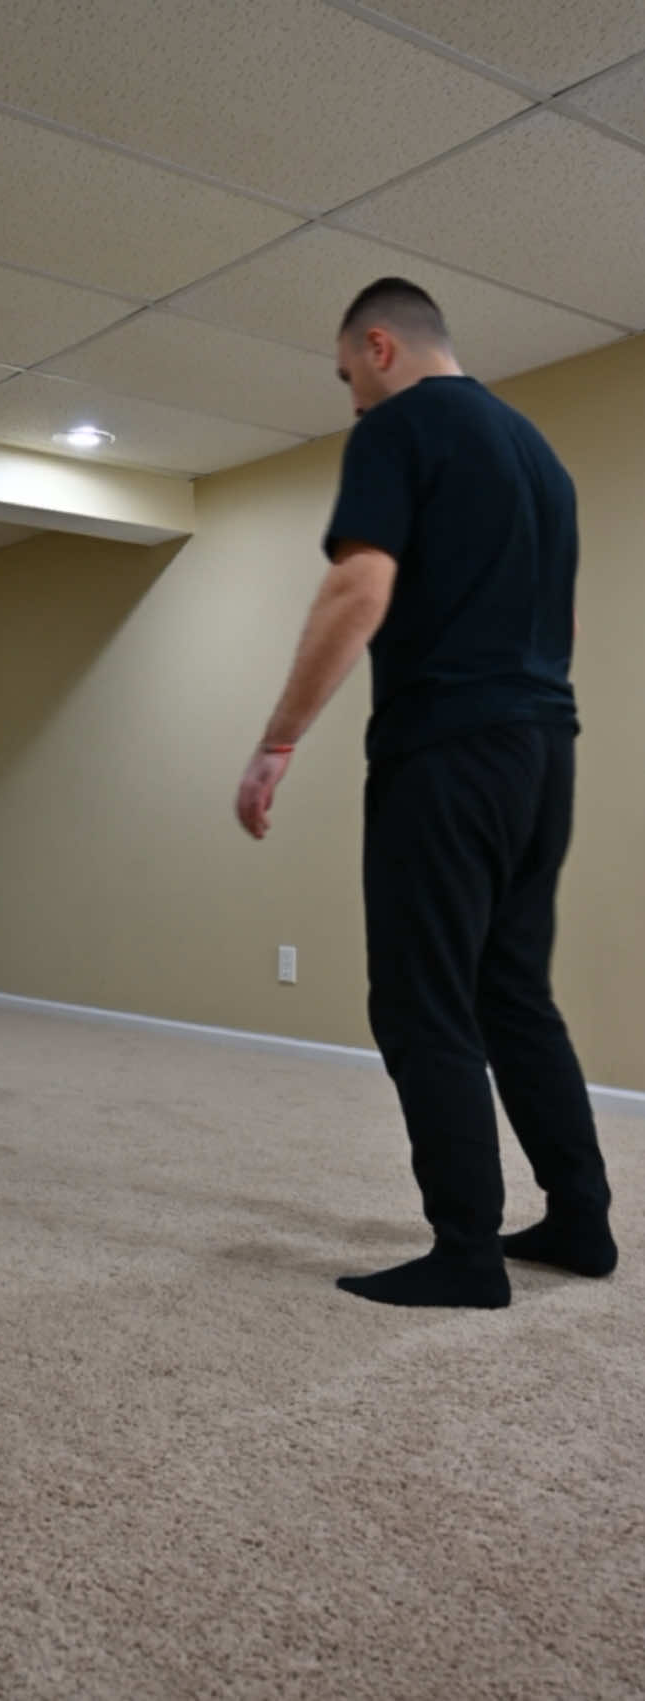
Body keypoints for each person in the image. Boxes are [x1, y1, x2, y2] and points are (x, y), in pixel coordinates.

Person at [235, 277, 616, 1309]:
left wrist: (277, 742)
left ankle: (465, 1253)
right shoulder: (540, 458)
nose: (351, 397)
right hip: (544, 748)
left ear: (380, 346)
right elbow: (564, 628)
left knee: (420, 998)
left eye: (348, 374)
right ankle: (581, 1221)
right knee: (511, 992)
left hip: (444, 750)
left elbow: (359, 587)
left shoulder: (398, 428)